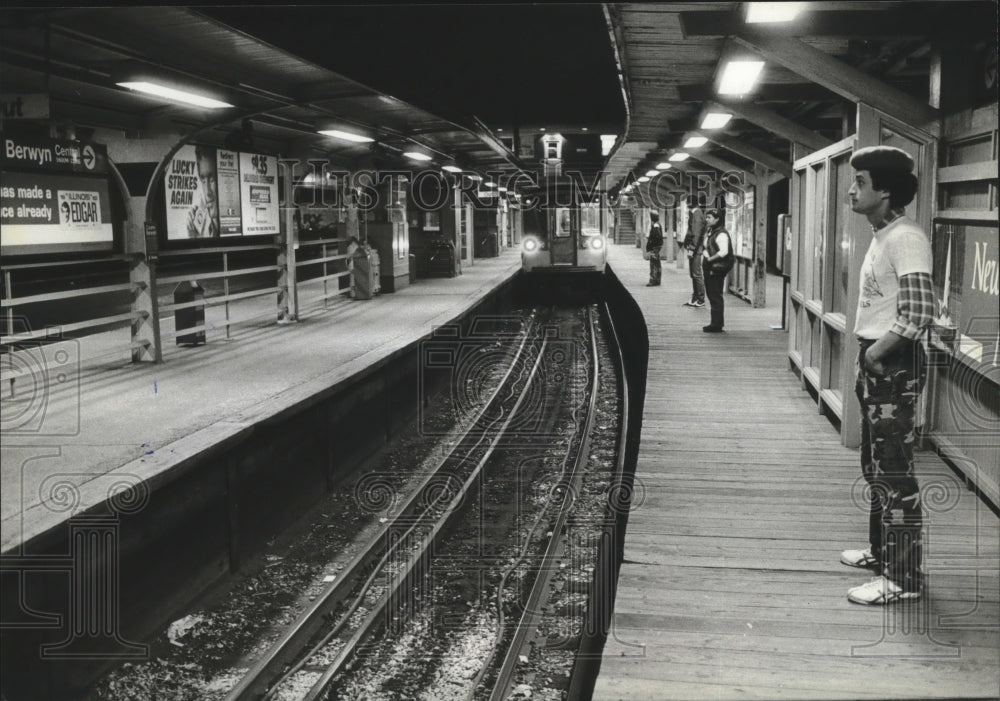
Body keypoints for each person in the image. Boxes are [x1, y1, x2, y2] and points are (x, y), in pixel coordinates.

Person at [840, 145, 932, 605]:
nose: (851, 191)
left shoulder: (905, 237)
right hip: (880, 359)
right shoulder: (884, 234)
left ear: (886, 190)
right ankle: (882, 555)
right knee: (876, 464)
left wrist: (875, 354)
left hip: (893, 363)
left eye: (860, 182)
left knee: (894, 469)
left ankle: (904, 578)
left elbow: (919, 310)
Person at [700, 208, 732, 332]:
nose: (707, 219)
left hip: (716, 268)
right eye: (706, 217)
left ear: (717, 219)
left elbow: (724, 251)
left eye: (709, 217)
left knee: (715, 295)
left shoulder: (721, 233)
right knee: (712, 294)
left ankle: (716, 324)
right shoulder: (712, 231)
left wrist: (710, 259)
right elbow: (707, 245)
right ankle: (715, 322)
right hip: (711, 267)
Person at [187, 145, 219, 238]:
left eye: (212, 179)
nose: (207, 192)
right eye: (203, 181)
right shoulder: (203, 230)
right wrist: (194, 239)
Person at [682, 197, 706, 306]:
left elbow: (696, 233)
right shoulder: (696, 213)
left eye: (687, 202)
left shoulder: (697, 214)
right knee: (693, 274)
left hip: (696, 249)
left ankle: (700, 299)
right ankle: (695, 298)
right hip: (695, 248)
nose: (686, 204)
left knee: (696, 274)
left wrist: (691, 249)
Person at [645, 211, 664, 286]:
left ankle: (653, 280)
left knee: (653, 263)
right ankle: (657, 279)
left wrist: (652, 244)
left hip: (655, 247)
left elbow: (657, 236)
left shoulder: (656, 225)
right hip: (657, 246)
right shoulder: (657, 224)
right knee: (657, 263)